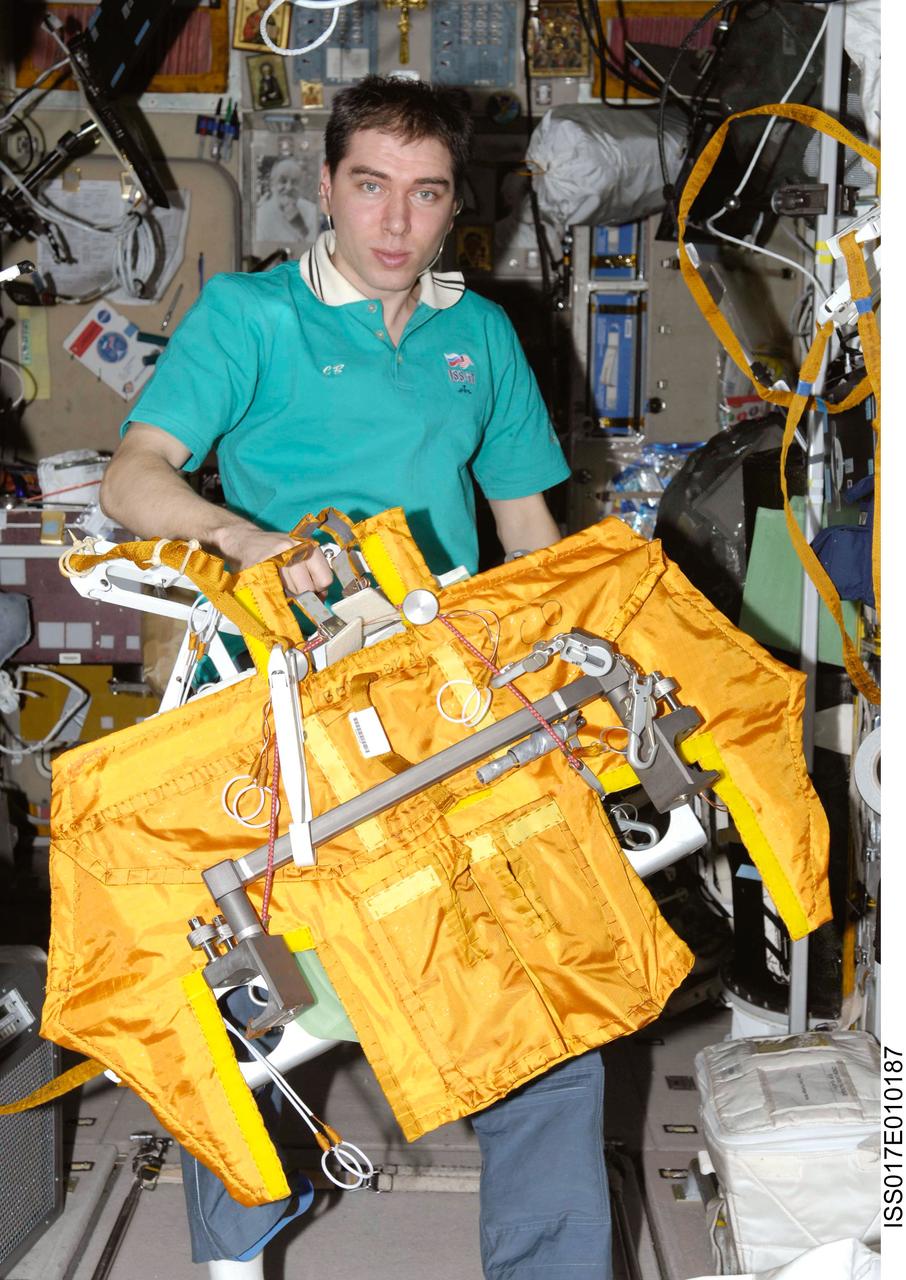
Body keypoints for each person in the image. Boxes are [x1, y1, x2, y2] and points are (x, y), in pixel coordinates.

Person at [100, 75, 612, 1280]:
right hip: (283, 709)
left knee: (543, 999)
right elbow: (135, 477)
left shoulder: (478, 335)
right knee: (270, 1011)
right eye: (370, 187)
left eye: (424, 195)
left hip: (447, 708)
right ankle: (234, 1259)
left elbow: (531, 535)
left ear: (454, 210)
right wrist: (244, 538)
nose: (395, 221)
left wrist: (572, 679)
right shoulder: (251, 318)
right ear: (326, 188)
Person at [254, 156, 318, 244]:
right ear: (272, 184)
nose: (289, 187)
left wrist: (302, 228)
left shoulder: (312, 211)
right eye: (283, 181)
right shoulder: (261, 216)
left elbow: (317, 250)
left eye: (295, 182)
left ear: (301, 186)